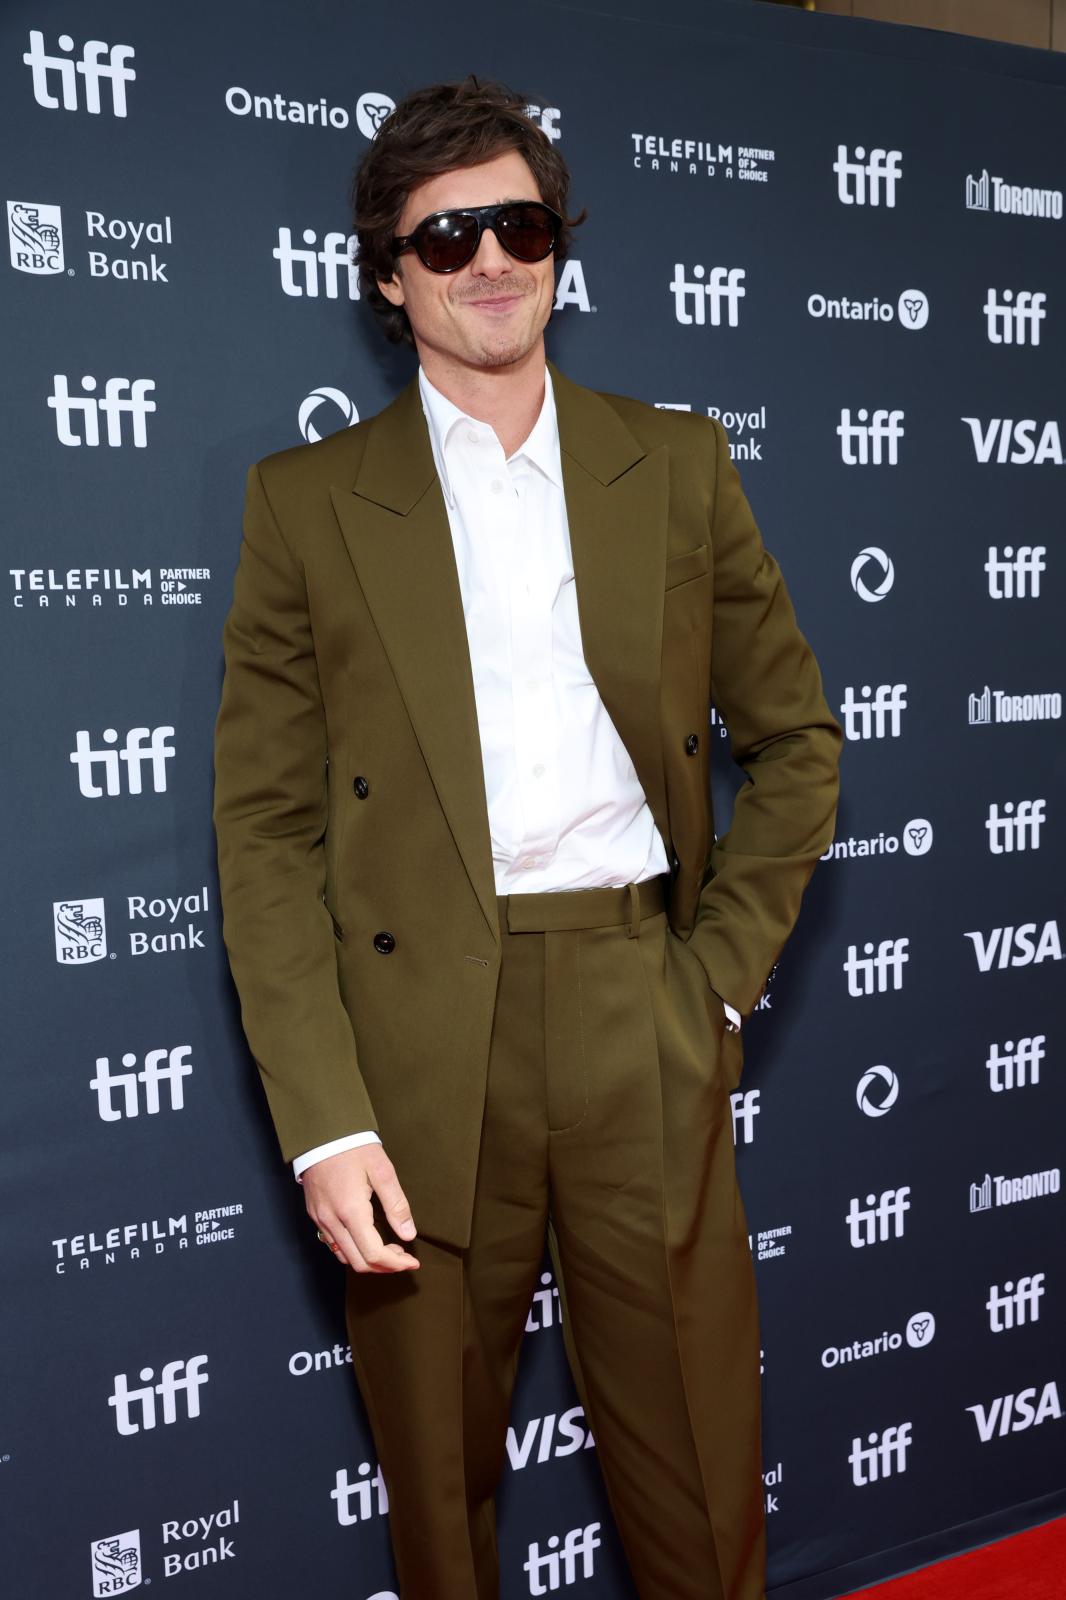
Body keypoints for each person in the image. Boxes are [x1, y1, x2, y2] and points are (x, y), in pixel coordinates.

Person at [213, 74, 842, 1600]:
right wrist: (325, 1120)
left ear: (558, 247)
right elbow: (266, 832)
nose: (489, 260)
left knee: (700, 1482)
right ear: (388, 277)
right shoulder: (305, 504)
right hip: (416, 1043)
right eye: (446, 238)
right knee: (439, 1502)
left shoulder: (674, 464)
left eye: (521, 226)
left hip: (639, 1006)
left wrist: (711, 986)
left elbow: (796, 743)